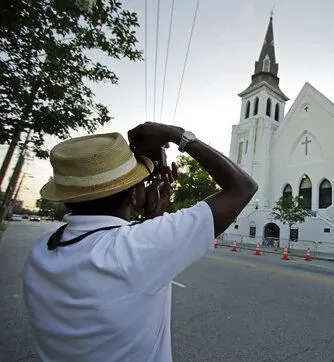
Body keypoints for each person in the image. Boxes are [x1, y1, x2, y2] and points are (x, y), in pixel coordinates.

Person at [22, 122, 258, 362]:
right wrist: (177, 135)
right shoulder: (134, 248)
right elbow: (242, 188)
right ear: (134, 195)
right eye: (140, 183)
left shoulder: (42, 249)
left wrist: (150, 220)